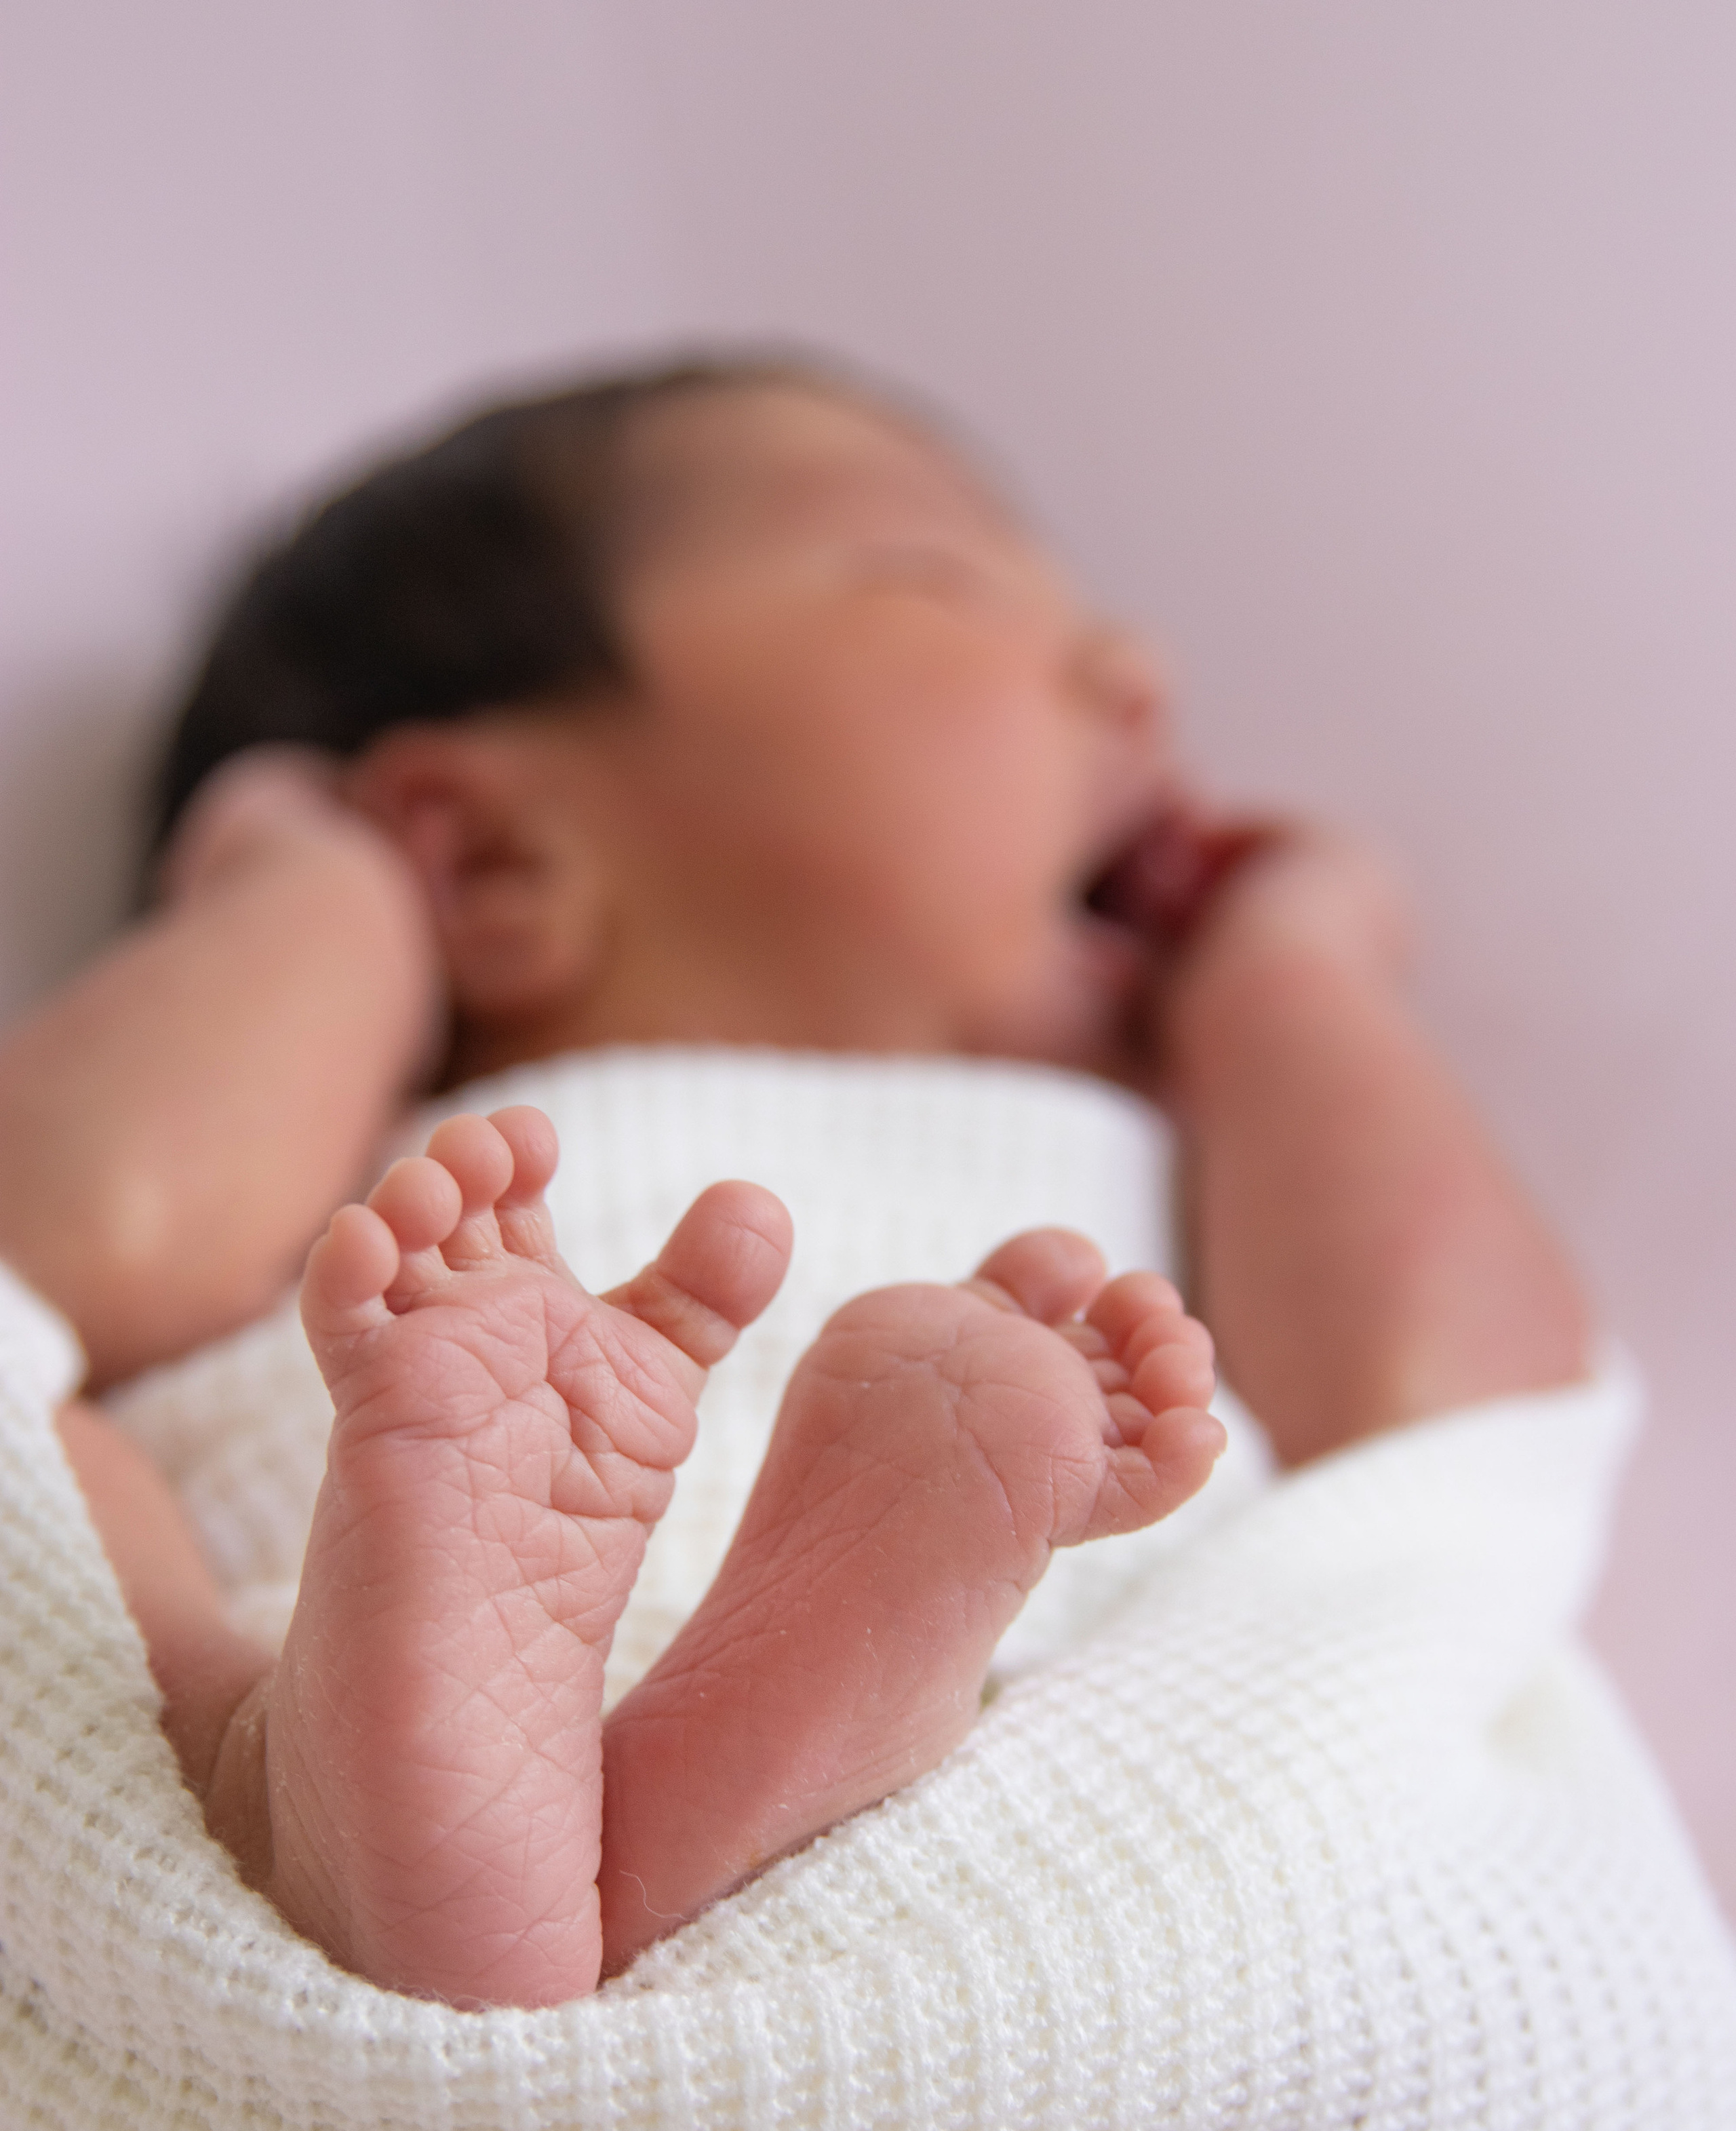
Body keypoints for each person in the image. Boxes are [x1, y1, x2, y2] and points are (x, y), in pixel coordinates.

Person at [0, 357, 1590, 2015]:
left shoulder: (1206, 1158)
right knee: (41, 1457)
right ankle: (324, 1785)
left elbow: (1454, 1448)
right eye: (938, 575)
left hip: (1084, 1744)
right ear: (484, 857)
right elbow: (60, 1248)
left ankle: (662, 1787)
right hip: (336, 1617)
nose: (1133, 674)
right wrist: (309, 878)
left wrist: (1284, 977)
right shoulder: (366, 1155)